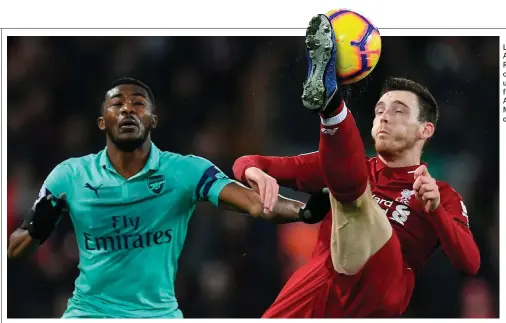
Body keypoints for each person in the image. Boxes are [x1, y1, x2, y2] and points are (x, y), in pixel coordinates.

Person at [7, 78, 329, 318]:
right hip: (89, 313)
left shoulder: (184, 172)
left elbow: (254, 203)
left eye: (138, 104)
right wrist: (36, 229)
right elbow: (15, 249)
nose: (128, 110)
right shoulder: (70, 176)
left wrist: (304, 212)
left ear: (153, 120)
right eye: (117, 104)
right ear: (102, 121)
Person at [233, 14, 480, 318]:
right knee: (348, 186)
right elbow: (249, 161)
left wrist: (437, 212)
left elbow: (470, 263)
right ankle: (330, 100)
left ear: (425, 130)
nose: (384, 117)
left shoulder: (440, 193)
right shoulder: (346, 163)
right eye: (379, 111)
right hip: (321, 282)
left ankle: (331, 103)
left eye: (398, 111)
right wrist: (251, 171)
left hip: (383, 284)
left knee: (354, 199)